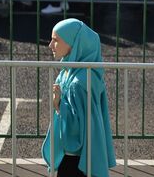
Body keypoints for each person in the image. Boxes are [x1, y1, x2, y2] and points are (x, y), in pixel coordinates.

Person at [42, 18, 116, 177]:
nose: (50, 45)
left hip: (74, 160)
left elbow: (75, 130)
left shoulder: (77, 82)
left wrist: (58, 104)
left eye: (56, 40)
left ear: (74, 43)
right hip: (85, 156)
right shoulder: (80, 71)